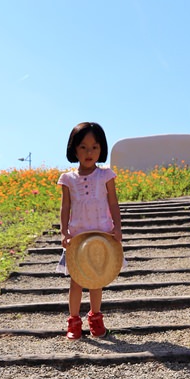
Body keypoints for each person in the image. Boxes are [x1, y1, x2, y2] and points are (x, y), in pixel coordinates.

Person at [56, 122, 123, 340]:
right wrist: (64, 232)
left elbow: (113, 204)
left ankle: (96, 318)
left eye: (94, 147)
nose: (89, 152)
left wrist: (117, 229)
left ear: (101, 149)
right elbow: (65, 207)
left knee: (97, 279)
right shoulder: (68, 179)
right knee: (76, 281)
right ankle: (74, 321)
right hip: (78, 238)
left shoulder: (106, 175)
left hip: (101, 236)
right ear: (73, 149)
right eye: (83, 147)